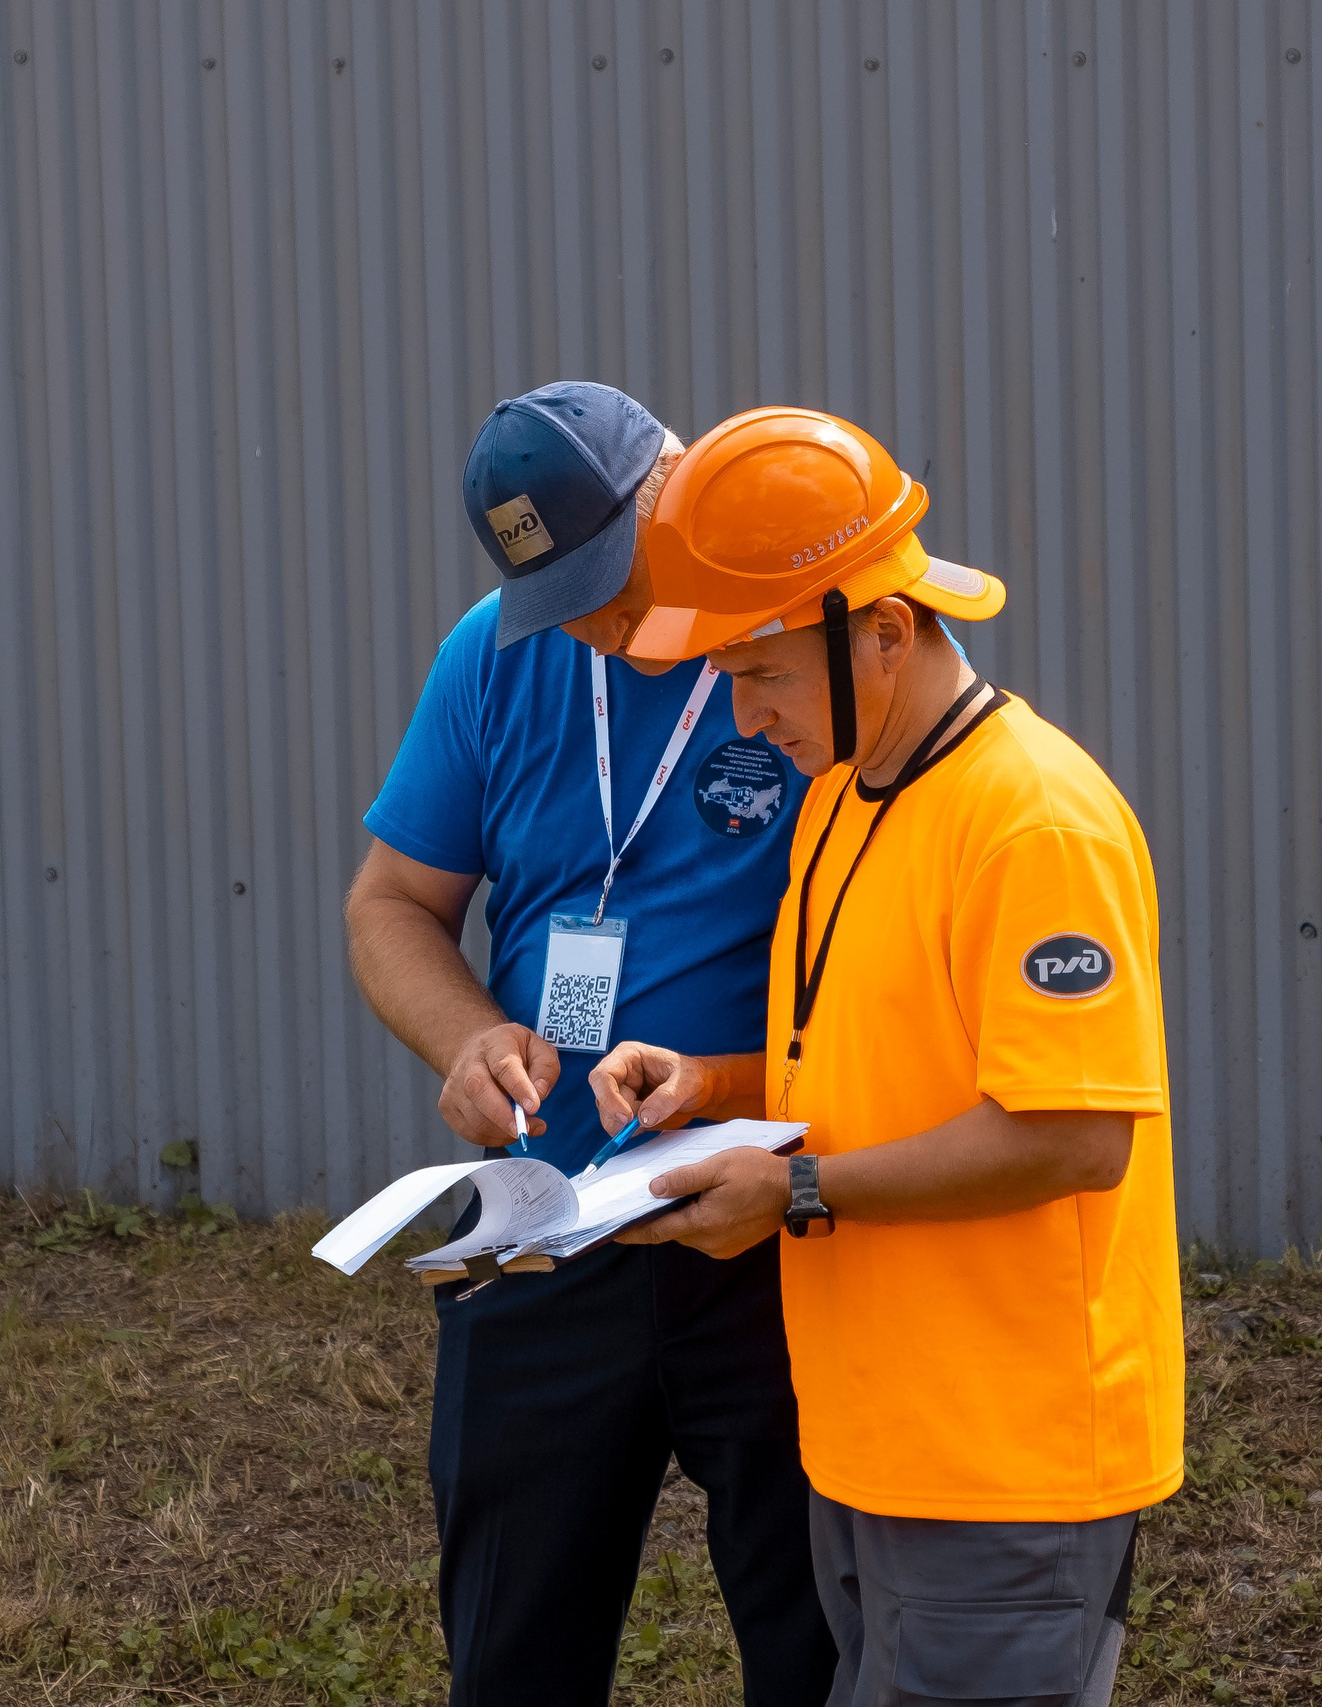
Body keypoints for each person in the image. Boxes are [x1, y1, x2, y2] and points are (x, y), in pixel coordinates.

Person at [590, 406, 1184, 1707]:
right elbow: (865, 1065)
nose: (745, 720)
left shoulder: (1034, 823)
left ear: (886, 634)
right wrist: (715, 1088)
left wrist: (797, 1194)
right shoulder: (843, 797)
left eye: (764, 674)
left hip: (1001, 1466)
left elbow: (1074, 1133)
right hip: (869, 1445)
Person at [344, 382, 835, 1704]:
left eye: (618, 581)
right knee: (515, 1647)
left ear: (680, 488)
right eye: (568, 600)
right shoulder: (495, 657)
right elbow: (392, 905)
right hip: (554, 1218)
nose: (608, 630)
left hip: (773, 1223)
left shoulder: (801, 654)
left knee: (820, 1640)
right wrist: (468, 1037)